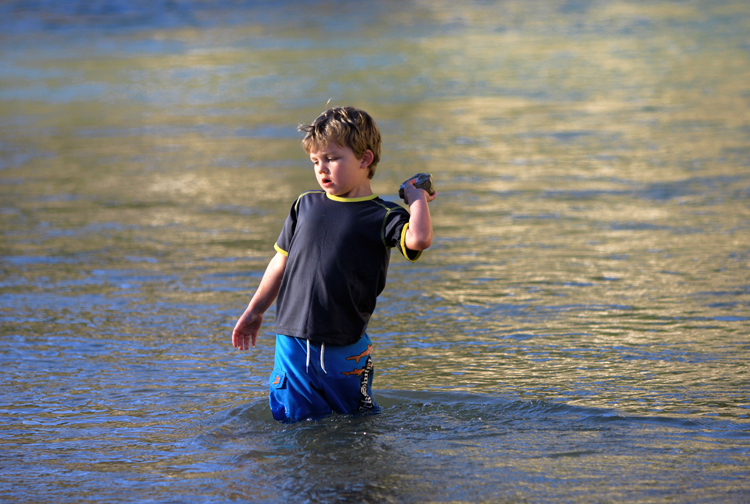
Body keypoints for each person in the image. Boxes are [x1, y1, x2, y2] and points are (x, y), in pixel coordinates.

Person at [232, 106, 436, 422]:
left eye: (332, 158)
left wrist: (416, 198)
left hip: (345, 347)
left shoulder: (383, 216)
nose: (321, 169)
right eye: (316, 161)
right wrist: (255, 309)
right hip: (292, 341)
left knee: (356, 424)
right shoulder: (305, 204)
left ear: (365, 159)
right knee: (292, 425)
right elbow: (280, 261)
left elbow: (419, 240)